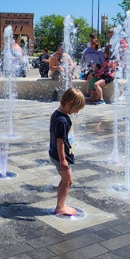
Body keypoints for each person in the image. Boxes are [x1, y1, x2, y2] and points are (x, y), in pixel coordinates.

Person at [49, 88, 86, 216]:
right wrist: (63, 159)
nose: (76, 112)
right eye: (77, 108)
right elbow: (60, 141)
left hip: (56, 154)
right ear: (70, 103)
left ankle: (61, 204)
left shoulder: (57, 114)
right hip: (60, 156)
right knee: (68, 180)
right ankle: (60, 207)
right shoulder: (62, 121)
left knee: (66, 180)